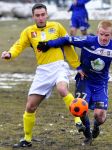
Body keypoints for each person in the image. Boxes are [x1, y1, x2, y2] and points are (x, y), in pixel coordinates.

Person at [1, 3, 83, 148]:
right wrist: (10, 54)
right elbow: (19, 45)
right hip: (43, 71)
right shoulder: (28, 31)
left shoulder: (57, 27)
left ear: (46, 14)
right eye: (37, 15)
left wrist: (77, 66)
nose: (40, 18)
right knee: (30, 106)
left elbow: (68, 46)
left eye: (43, 14)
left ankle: (78, 120)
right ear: (33, 16)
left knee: (62, 90)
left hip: (59, 66)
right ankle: (27, 139)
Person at [37, 20, 112, 145]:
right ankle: (88, 134)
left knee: (100, 115)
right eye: (101, 34)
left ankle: (96, 126)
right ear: (97, 32)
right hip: (84, 80)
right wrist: (48, 44)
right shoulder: (88, 41)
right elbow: (66, 40)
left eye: (107, 35)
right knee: (80, 109)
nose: (103, 37)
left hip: (100, 83)